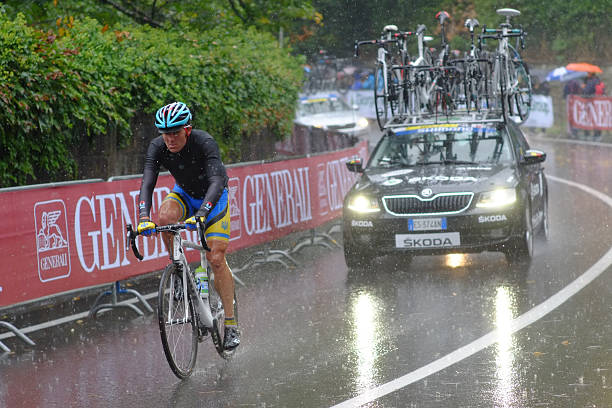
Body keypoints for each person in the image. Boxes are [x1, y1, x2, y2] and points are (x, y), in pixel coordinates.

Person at [137, 101, 240, 351]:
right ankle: (179, 271)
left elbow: (217, 179)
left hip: (213, 196)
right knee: (164, 217)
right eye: (165, 133)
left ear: (188, 129)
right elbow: (148, 182)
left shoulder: (204, 142)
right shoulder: (158, 147)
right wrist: (142, 217)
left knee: (215, 258)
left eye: (175, 132)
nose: (170, 139)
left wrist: (203, 213)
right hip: (184, 193)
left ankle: (231, 324)